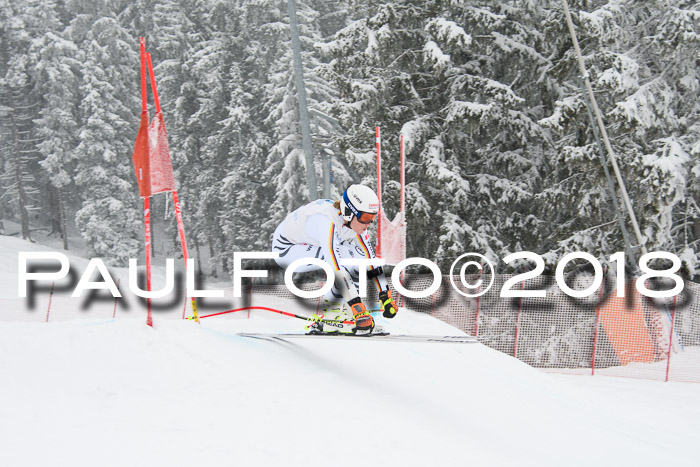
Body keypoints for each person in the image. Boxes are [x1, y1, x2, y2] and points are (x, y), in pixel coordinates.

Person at [271, 184, 399, 333]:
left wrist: (386, 296)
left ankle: (346, 313)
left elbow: (370, 261)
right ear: (349, 212)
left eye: (372, 218)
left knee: (357, 256)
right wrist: (357, 306)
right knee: (344, 257)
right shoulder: (326, 223)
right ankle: (331, 316)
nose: (369, 223)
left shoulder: (356, 224)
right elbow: (336, 267)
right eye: (365, 217)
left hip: (306, 244)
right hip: (286, 250)